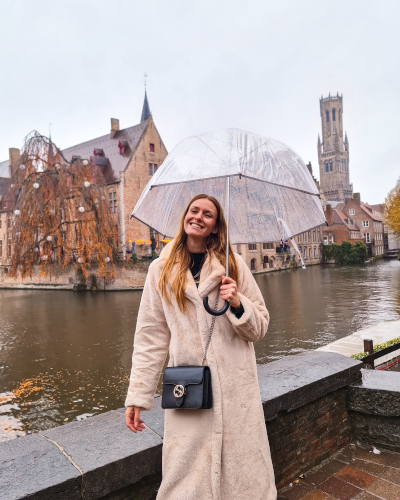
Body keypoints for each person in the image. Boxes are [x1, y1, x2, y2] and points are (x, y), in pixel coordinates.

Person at [125, 194, 277, 500]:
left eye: (208, 214)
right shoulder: (160, 270)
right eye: (194, 210)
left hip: (235, 388)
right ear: (185, 217)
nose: (198, 217)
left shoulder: (233, 265)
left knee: (242, 476)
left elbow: (259, 327)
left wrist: (237, 302)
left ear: (215, 226)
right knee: (186, 476)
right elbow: (151, 336)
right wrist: (139, 395)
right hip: (188, 387)